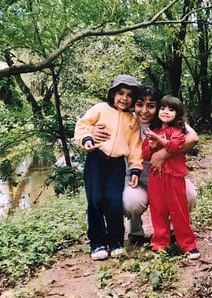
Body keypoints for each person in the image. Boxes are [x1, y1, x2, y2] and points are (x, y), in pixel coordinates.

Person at [93, 86, 198, 245]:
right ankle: (136, 232)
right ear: (133, 105)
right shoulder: (126, 119)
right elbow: (96, 123)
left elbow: (193, 138)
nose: (144, 110)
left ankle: (172, 230)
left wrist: (162, 154)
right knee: (131, 202)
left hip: (167, 177)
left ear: (158, 106)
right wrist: (93, 130)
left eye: (151, 106)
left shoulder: (167, 120)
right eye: (139, 104)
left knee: (189, 195)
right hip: (137, 178)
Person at [74, 74, 143, 261]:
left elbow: (136, 147)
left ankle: (116, 241)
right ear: (112, 94)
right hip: (95, 159)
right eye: (120, 93)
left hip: (117, 164)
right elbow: (82, 126)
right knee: (95, 201)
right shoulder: (100, 109)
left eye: (129, 95)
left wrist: (135, 168)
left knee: (113, 202)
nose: (124, 98)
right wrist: (87, 139)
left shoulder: (132, 120)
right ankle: (97, 243)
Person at [142, 95, 200, 260]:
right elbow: (145, 154)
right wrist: (151, 146)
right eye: (163, 108)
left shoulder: (178, 132)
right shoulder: (153, 131)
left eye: (171, 109)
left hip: (174, 176)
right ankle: (160, 243)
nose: (166, 112)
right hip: (155, 177)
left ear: (178, 114)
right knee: (158, 210)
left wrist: (158, 140)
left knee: (179, 211)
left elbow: (175, 146)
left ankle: (188, 245)